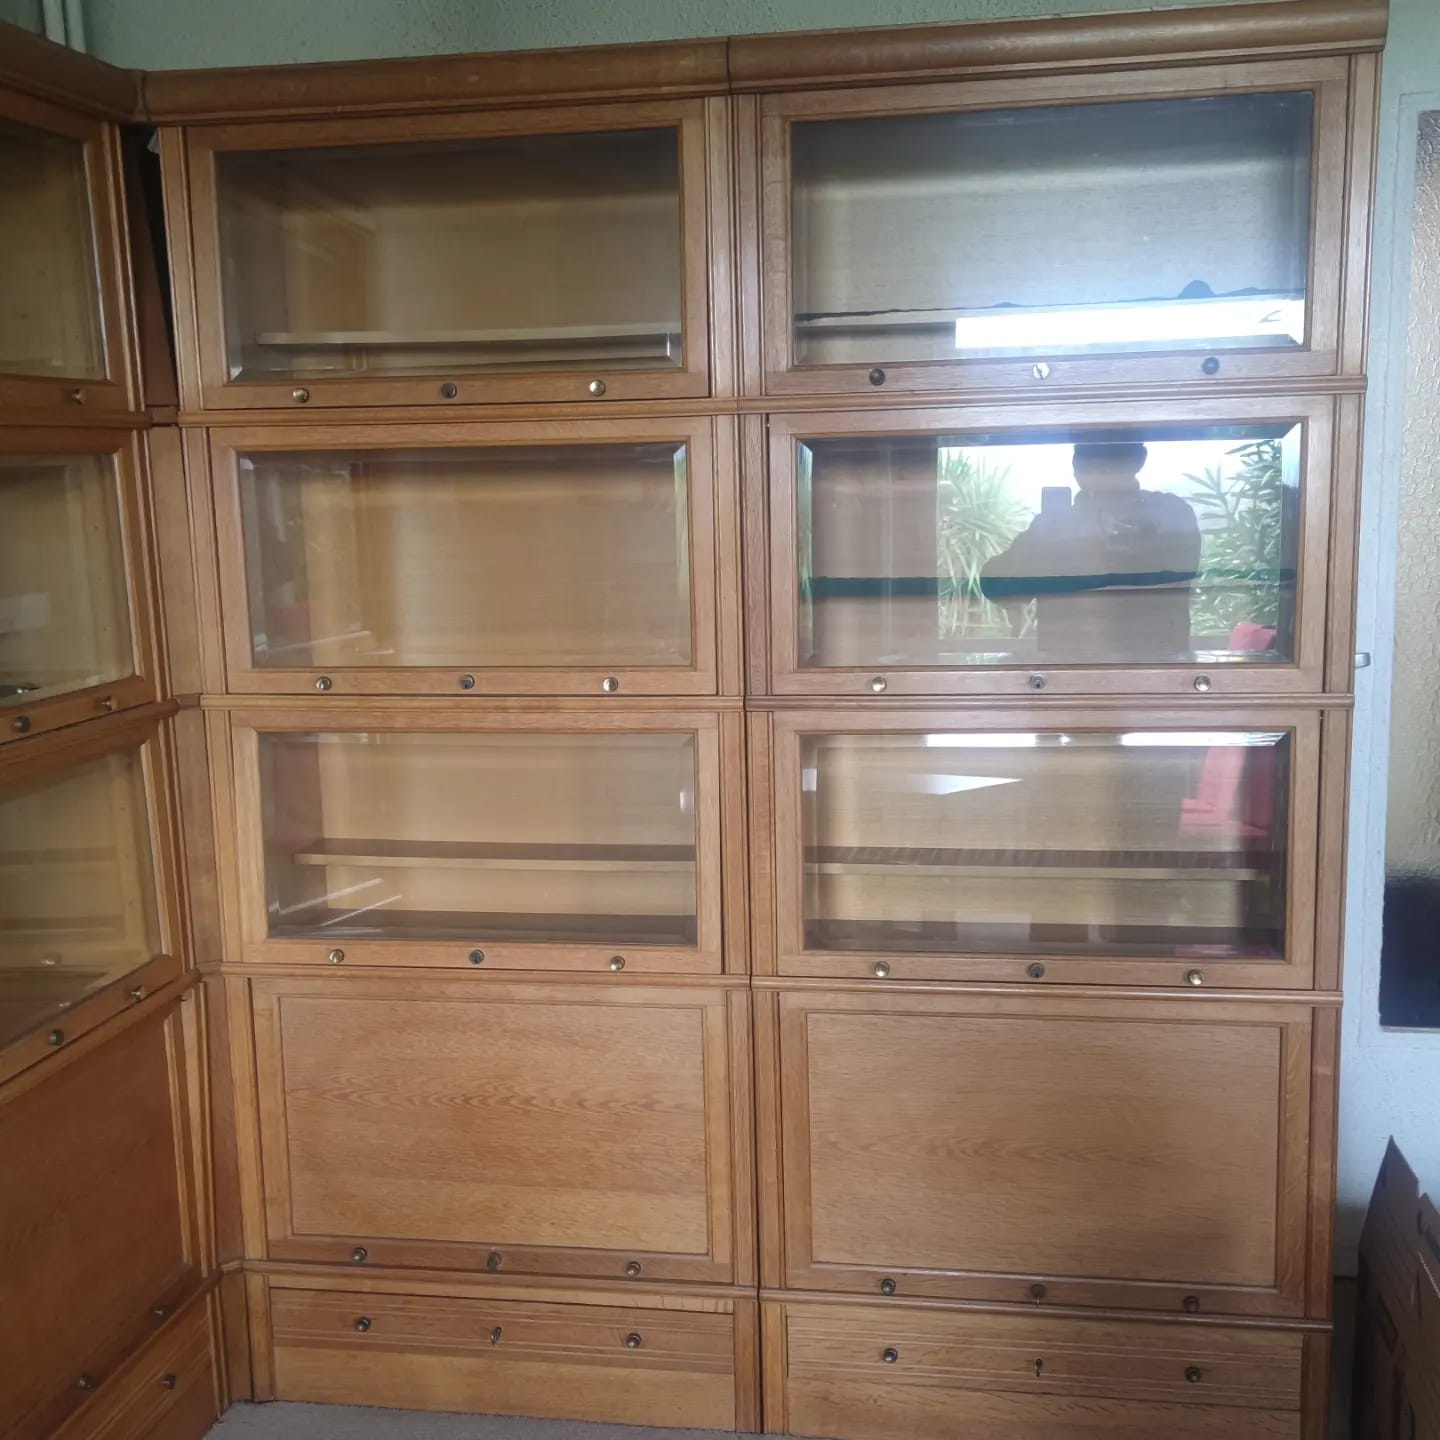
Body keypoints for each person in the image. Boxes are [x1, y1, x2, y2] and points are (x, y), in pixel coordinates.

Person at [979, 441, 1201, 661]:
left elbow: (1000, 589)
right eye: (1084, 455)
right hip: (1078, 676)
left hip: (1150, 674)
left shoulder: (1169, 514)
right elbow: (999, 590)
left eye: (1102, 457)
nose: (1092, 467)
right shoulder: (1056, 526)